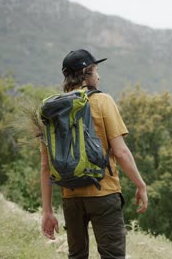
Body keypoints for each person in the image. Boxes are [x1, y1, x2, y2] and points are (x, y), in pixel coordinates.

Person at [40, 49, 148, 259]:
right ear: (87, 73)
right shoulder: (103, 101)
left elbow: (46, 165)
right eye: (96, 71)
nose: (99, 76)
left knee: (77, 255)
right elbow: (121, 151)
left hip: (70, 195)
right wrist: (141, 185)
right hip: (103, 192)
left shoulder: (52, 110)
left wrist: (47, 211)